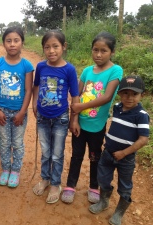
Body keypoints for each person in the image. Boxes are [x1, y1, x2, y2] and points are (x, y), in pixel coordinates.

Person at [61, 31, 123, 204]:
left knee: (95, 157)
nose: (98, 54)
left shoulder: (116, 70)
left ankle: (94, 186)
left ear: (112, 52)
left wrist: (81, 106)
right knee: (76, 155)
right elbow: (76, 95)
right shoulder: (88, 71)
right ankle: (70, 185)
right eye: (95, 50)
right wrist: (74, 119)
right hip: (80, 124)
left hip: (97, 125)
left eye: (103, 51)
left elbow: (107, 97)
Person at [89, 75, 149, 225]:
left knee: (125, 186)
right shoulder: (117, 108)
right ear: (120, 94)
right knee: (102, 179)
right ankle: (104, 202)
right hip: (108, 153)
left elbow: (143, 139)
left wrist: (124, 153)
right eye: (125, 93)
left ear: (143, 94)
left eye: (134, 94)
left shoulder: (141, 116)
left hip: (126, 158)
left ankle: (119, 213)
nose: (129, 98)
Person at [31, 30, 79, 204]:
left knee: (57, 154)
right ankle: (45, 178)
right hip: (42, 117)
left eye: (55, 46)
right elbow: (36, 86)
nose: (51, 51)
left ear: (64, 47)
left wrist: (74, 119)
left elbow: (75, 96)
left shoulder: (69, 69)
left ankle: (55, 184)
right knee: (45, 152)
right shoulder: (41, 67)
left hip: (60, 118)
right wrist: (34, 102)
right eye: (47, 47)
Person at [0, 26, 33, 188]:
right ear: (3, 43)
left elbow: (28, 90)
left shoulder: (27, 66)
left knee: (17, 142)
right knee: (5, 142)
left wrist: (22, 112)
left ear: (22, 43)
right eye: (8, 41)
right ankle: (5, 169)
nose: (12, 44)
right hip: (2, 111)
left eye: (16, 40)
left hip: (19, 113)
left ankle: (15, 171)